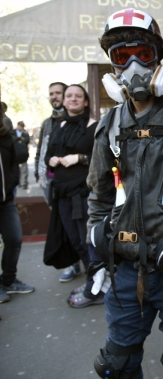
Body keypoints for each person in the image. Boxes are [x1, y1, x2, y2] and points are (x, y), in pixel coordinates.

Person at [86, 8, 163, 379]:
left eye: (143, 53)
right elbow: (100, 194)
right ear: (112, 67)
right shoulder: (109, 125)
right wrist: (98, 244)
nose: (134, 66)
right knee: (116, 362)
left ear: (158, 58)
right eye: (122, 57)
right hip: (126, 268)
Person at [45, 84, 100, 307]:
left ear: (86, 101)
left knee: (88, 242)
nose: (73, 99)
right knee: (76, 242)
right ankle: (93, 282)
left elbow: (103, 156)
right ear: (64, 101)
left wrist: (80, 158)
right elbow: (49, 154)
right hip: (63, 194)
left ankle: (96, 287)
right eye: (69, 96)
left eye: (78, 96)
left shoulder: (94, 126)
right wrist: (51, 160)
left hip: (85, 194)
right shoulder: (59, 126)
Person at [34, 82, 79, 284]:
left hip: (70, 183)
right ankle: (72, 263)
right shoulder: (47, 122)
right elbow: (42, 150)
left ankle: (80, 262)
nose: (55, 97)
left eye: (58, 93)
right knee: (60, 224)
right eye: (51, 93)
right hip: (49, 181)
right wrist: (38, 171)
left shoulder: (77, 121)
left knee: (73, 224)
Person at [0, 104, 35, 303]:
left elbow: (15, 161)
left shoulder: (5, 135)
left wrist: (12, 181)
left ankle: (9, 280)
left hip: (6, 200)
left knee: (14, 239)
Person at [13, 121, 30, 189]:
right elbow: (13, 140)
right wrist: (19, 139)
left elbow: (26, 141)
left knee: (24, 169)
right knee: (17, 169)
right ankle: (19, 182)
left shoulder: (25, 133)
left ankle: (24, 183)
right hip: (15, 153)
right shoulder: (13, 132)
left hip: (23, 154)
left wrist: (20, 140)